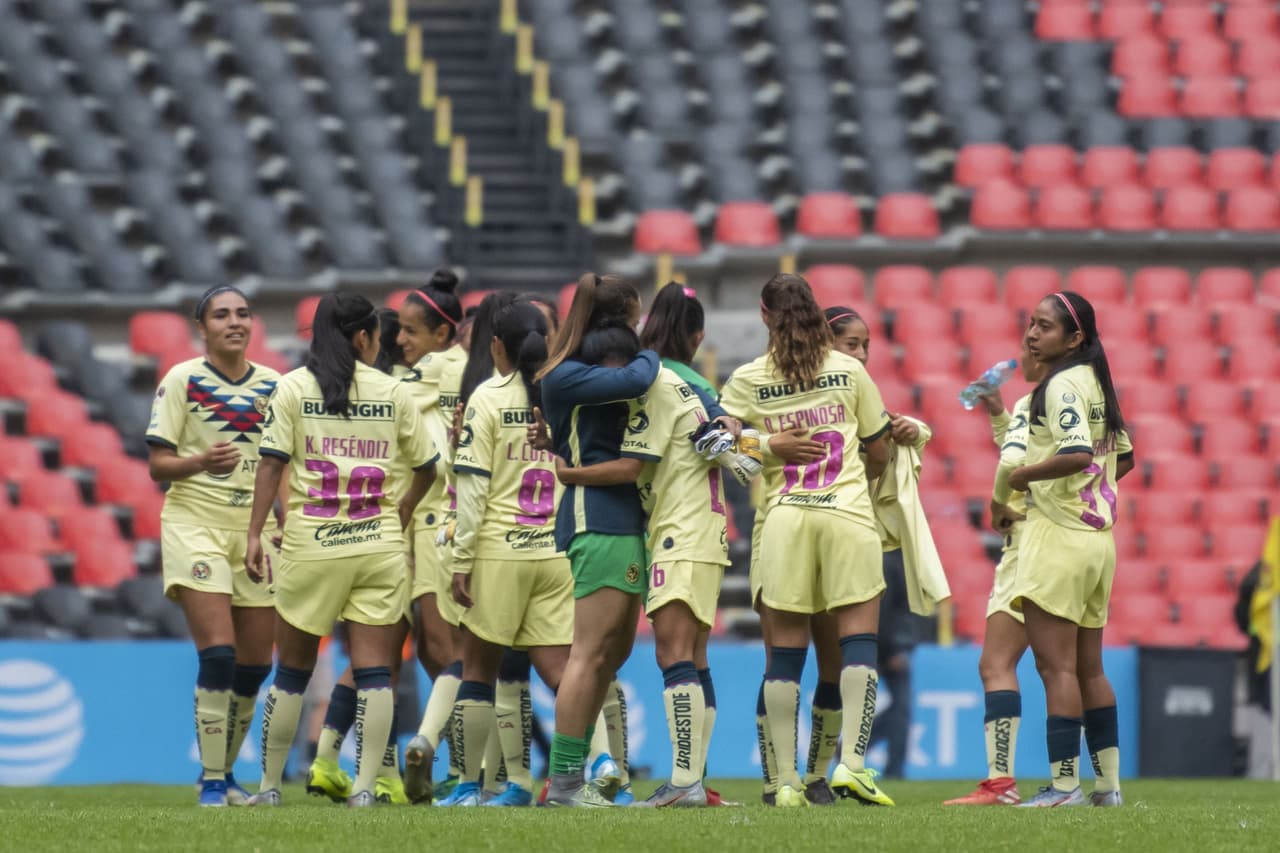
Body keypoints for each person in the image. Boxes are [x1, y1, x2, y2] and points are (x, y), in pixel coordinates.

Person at [245, 292, 438, 807]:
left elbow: (269, 464)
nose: (383, 343)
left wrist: (253, 533)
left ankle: (266, 788)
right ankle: (366, 788)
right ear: (362, 337)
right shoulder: (394, 392)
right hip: (377, 542)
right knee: (377, 673)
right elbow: (427, 468)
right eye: (378, 335)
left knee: (291, 670)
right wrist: (403, 509)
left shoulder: (292, 388)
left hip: (312, 543)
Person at [719, 273, 893, 809]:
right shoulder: (849, 369)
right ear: (817, 315)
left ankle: (786, 784)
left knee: (784, 658)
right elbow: (880, 453)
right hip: (846, 517)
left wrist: (769, 443)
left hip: (786, 519)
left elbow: (722, 443)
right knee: (856, 646)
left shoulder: (749, 377)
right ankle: (854, 766)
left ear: (765, 316)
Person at [145, 284, 281, 807]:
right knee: (219, 655)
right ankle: (211, 782)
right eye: (221, 315)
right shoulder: (182, 380)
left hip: (255, 530)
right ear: (202, 328)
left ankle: (223, 774)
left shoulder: (274, 386)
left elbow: (281, 464)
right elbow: (159, 465)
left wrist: (286, 519)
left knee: (254, 665)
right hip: (195, 522)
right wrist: (201, 462)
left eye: (243, 313)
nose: (234, 322)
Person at [439, 301, 572, 807]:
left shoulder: (486, 398)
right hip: (554, 550)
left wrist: (462, 561)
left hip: (499, 550)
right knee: (564, 672)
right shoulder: (563, 395)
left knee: (478, 671)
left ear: (497, 346)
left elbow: (471, 495)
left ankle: (471, 786)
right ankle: (601, 770)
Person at [1004, 291, 1134, 808]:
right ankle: (1108, 788)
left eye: (1046, 327)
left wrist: (1026, 475)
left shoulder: (1059, 386)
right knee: (1089, 669)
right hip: (1098, 542)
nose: (1033, 334)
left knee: (1055, 669)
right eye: (1031, 323)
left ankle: (1063, 787)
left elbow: (1078, 453)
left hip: (1058, 538)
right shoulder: (1094, 380)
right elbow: (1120, 459)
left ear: (1074, 338)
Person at [535, 273, 661, 807]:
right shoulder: (568, 376)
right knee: (588, 655)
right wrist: (655, 352)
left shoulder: (577, 372)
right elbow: (633, 379)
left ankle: (572, 779)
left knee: (611, 654)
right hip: (599, 520)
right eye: (633, 322)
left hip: (619, 523)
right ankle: (564, 784)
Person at [305, 306, 415, 805]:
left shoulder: (352, 391)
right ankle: (363, 769)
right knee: (382, 664)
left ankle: (347, 763)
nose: (412, 341)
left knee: (375, 664)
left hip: (345, 539)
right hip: (399, 543)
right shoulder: (399, 394)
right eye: (406, 333)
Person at [377, 272, 470, 806]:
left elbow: (386, 400)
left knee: (443, 652)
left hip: (439, 525)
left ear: (442, 334)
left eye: (411, 331)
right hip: (429, 524)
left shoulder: (437, 370)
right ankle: (458, 765)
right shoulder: (459, 370)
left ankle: (457, 764)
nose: (401, 341)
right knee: (440, 660)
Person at [944, 344, 1046, 806]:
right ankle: (1097, 785)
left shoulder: (1044, 401)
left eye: (1040, 332)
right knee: (1072, 667)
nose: (1028, 344)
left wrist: (1000, 504)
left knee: (998, 664)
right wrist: (997, 410)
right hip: (1073, 541)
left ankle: (1002, 784)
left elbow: (1013, 465)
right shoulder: (1075, 399)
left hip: (1033, 545)